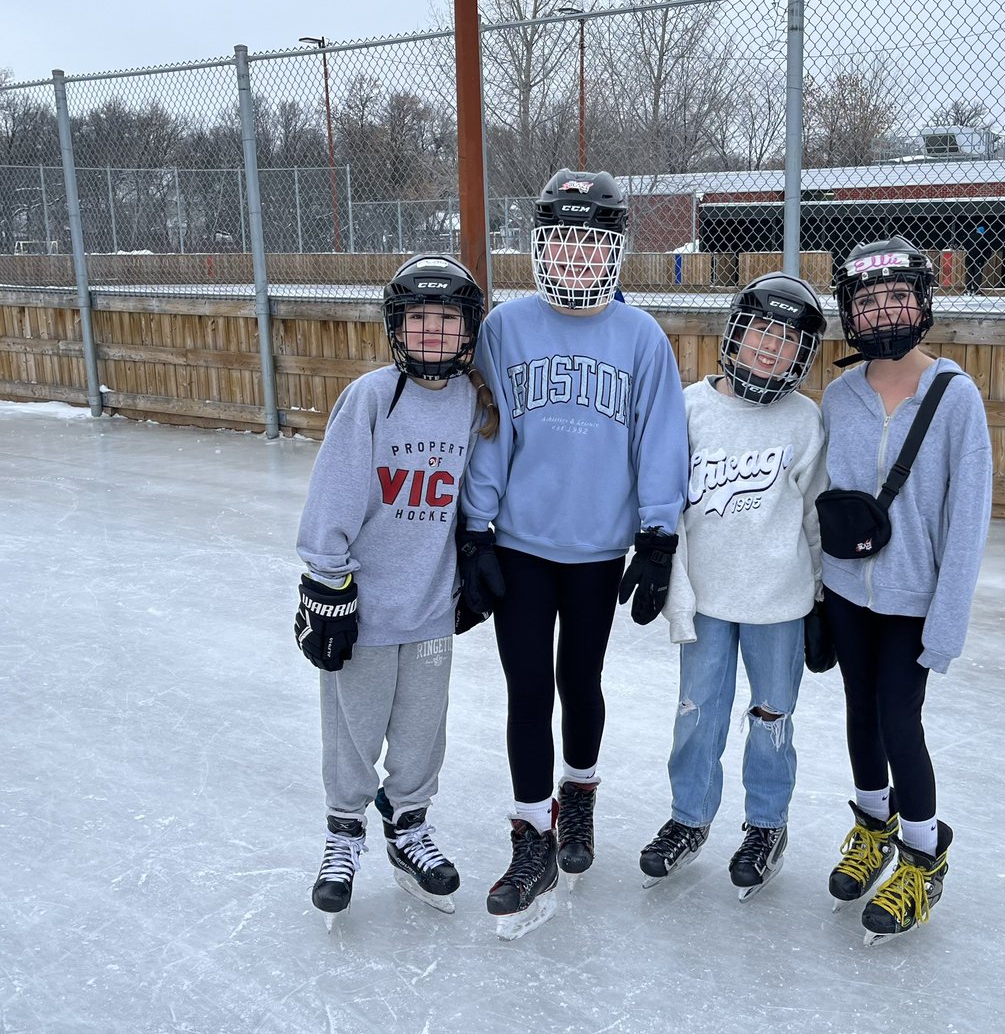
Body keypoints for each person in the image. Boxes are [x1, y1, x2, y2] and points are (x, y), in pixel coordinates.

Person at [458, 169, 689, 939]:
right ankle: (531, 836)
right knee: (528, 688)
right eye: (564, 242)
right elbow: (490, 436)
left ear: (614, 252)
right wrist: (475, 529)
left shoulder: (641, 338)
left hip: (596, 550)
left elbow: (659, 440)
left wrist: (658, 534)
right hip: (521, 546)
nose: (578, 258)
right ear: (541, 248)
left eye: (593, 244)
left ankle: (578, 795)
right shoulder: (504, 330)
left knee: (579, 680)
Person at [294, 254, 498, 925]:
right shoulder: (372, 398)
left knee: (419, 732)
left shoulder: (474, 401)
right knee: (353, 729)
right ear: (397, 328)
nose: (433, 333)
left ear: (469, 330)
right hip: (365, 609)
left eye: (448, 321)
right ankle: (342, 832)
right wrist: (326, 585)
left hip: (431, 608)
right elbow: (334, 500)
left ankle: (408, 826)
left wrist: (477, 547)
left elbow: (478, 489)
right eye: (420, 320)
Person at [821, 236, 992, 944]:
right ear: (850, 314)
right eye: (868, 301)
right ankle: (871, 826)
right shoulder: (837, 395)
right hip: (845, 593)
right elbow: (821, 501)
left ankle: (922, 852)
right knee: (860, 712)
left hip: (913, 602)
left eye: (897, 296)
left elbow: (967, 519)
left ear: (922, 303)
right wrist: (814, 600)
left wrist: (944, 625)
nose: (884, 311)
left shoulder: (954, 398)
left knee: (900, 718)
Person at [640, 273, 829, 901]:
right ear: (736, 334)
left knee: (772, 717)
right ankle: (690, 817)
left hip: (780, 601)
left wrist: (823, 599)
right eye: (761, 333)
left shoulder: (805, 421)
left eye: (788, 342)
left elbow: (813, 516)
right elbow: (665, 497)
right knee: (698, 714)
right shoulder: (691, 407)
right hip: (709, 598)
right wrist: (664, 571)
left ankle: (766, 825)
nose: (770, 349)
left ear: (802, 358)